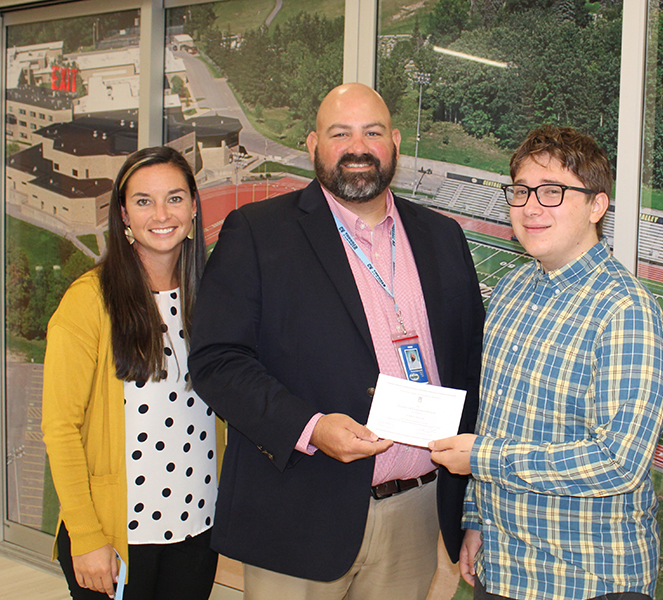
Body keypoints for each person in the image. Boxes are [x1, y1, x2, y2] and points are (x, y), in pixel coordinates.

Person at [188, 83, 484, 600]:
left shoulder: (442, 236)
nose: (358, 146)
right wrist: (311, 426)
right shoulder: (258, 233)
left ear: (393, 142)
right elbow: (217, 359)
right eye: (339, 133)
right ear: (312, 144)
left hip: (417, 513)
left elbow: (471, 369)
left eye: (372, 132)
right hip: (301, 507)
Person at [430, 125, 663, 600]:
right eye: (521, 191)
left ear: (597, 206)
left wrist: (483, 456)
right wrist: (477, 520)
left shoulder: (626, 313)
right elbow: (495, 417)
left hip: (586, 580)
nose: (531, 207)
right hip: (502, 570)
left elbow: (618, 463)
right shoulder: (512, 289)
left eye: (552, 192)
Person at [42, 146, 223, 599]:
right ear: (123, 213)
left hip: (197, 525)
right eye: (144, 201)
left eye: (175, 198)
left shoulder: (214, 298)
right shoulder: (88, 302)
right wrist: (85, 537)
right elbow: (61, 428)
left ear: (195, 206)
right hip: (116, 534)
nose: (161, 214)